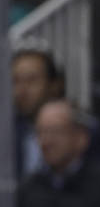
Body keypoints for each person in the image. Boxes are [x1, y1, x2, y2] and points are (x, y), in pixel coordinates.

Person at [17, 99, 100, 207]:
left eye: (55, 131)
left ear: (81, 138)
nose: (46, 141)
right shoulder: (29, 190)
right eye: (41, 132)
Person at [11, 46, 64, 180]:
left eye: (31, 80)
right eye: (16, 81)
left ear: (54, 85)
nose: (21, 91)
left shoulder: (78, 131)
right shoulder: (7, 131)